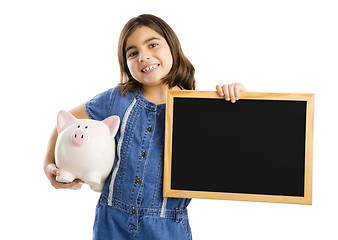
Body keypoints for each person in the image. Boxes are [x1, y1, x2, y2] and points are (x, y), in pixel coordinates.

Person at [43, 14, 247, 239]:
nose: (144, 56)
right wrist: (48, 165)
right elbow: (66, 122)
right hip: (111, 223)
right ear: (125, 62)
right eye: (133, 53)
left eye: (152, 44)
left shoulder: (197, 107)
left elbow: (232, 146)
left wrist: (237, 99)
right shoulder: (116, 99)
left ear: (173, 46)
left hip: (167, 228)